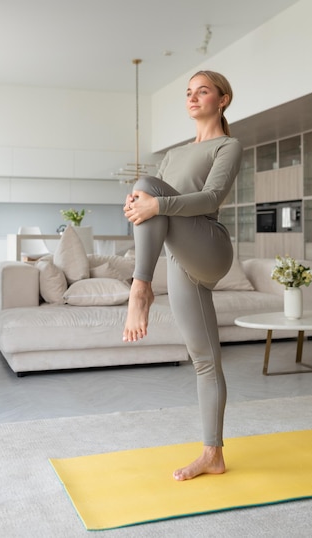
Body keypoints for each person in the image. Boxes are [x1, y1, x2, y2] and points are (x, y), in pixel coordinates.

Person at [122, 70, 242, 481]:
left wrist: (153, 202)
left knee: (147, 187)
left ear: (222, 99)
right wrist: (140, 205)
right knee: (204, 360)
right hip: (179, 260)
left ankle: (140, 288)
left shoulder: (228, 145)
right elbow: (159, 211)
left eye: (202, 91)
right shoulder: (172, 155)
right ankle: (213, 454)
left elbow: (210, 198)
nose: (192, 98)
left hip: (209, 246)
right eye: (188, 93)